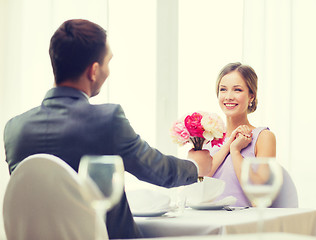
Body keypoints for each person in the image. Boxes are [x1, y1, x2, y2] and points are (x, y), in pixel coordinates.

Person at [3, 19, 212, 239]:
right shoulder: (107, 120)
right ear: (93, 70)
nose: (108, 70)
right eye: (107, 62)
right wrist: (195, 168)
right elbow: (158, 171)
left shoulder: (14, 129)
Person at [204, 62, 298, 207]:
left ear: (251, 96)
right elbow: (198, 183)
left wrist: (235, 151)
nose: (228, 96)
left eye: (237, 90)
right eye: (223, 89)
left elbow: (260, 195)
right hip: (206, 220)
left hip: (244, 223)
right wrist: (228, 145)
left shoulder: (263, 137)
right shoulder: (208, 138)